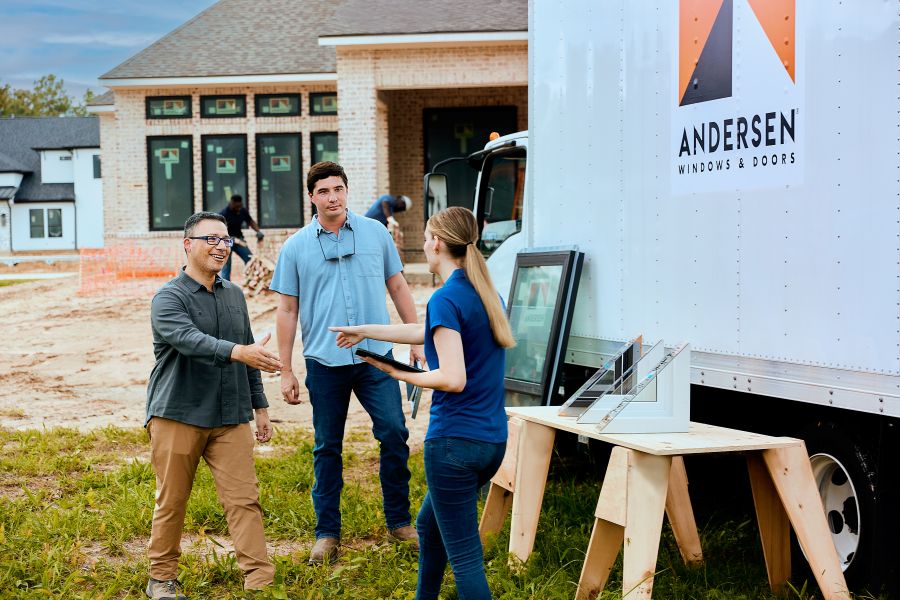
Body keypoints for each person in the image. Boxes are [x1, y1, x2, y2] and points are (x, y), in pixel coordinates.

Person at [330, 206, 516, 599]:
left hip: (454, 445)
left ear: (436, 243)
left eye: (428, 236)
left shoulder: (446, 299)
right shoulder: (483, 292)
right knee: (429, 527)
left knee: (465, 558)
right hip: (491, 442)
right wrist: (365, 330)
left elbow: (452, 377)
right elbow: (426, 330)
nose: (425, 244)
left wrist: (399, 374)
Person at [270, 161, 426, 565]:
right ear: (311, 197)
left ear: (346, 190)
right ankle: (327, 532)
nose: (332, 197)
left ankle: (399, 522)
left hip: (377, 357)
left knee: (394, 434)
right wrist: (286, 369)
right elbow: (287, 310)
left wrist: (417, 338)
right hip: (324, 362)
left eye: (338, 189)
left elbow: (397, 286)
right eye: (323, 191)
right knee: (327, 447)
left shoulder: (376, 234)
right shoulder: (295, 247)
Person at [145, 211, 282, 599]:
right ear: (188, 244)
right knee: (171, 501)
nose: (222, 246)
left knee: (244, 501)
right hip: (178, 414)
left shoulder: (235, 294)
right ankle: (162, 578)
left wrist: (260, 407)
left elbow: (250, 351)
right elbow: (190, 340)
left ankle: (260, 582)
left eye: (225, 240)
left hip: (229, 416)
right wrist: (240, 352)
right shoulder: (168, 297)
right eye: (212, 239)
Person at [219, 194, 264, 281]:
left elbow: (250, 221)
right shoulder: (224, 214)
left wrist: (258, 231)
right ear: (231, 203)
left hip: (239, 239)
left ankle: (253, 282)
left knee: (250, 259)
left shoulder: (242, 211)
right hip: (227, 241)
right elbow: (218, 230)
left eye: (240, 206)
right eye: (237, 206)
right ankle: (225, 287)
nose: (239, 208)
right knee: (226, 265)